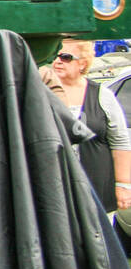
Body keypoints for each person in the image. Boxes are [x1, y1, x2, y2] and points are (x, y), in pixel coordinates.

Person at [49, 39, 131, 214]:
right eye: (55, 56)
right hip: (54, 195)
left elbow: (121, 142)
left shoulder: (102, 95)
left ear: (82, 63)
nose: (58, 61)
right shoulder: (41, 92)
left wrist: (123, 185)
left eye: (65, 57)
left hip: (98, 195)